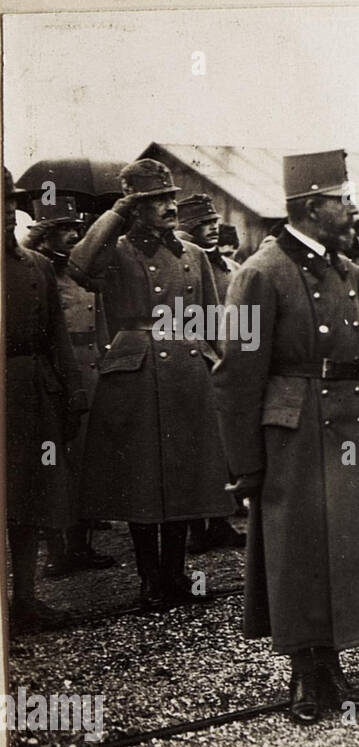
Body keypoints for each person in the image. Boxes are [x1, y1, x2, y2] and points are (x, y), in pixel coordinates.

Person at [212, 149, 359, 725]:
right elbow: (237, 374)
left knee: (342, 547)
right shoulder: (260, 273)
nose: (353, 209)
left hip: (345, 423)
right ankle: (305, 673)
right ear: (312, 207)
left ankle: (332, 662)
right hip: (292, 430)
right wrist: (246, 463)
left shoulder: (350, 271)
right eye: (343, 200)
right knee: (298, 550)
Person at [67, 158, 232, 612]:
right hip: (137, 373)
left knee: (183, 475)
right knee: (141, 479)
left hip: (186, 369)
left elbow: (211, 319)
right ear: (135, 207)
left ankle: (176, 574)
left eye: (169, 198)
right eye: (155, 200)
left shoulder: (193, 254)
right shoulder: (117, 250)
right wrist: (115, 214)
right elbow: (80, 266)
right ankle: (150, 579)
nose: (169, 207)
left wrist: (219, 368)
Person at [4, 167, 89, 629]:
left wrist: (73, 391)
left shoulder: (36, 266)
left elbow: (57, 336)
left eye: (9, 204)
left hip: (36, 392)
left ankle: (26, 599)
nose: (6, 212)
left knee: (31, 498)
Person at [22, 192, 115, 576]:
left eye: (77, 228)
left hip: (91, 375)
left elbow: (101, 325)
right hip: (58, 377)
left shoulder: (85, 270)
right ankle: (56, 552)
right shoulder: (38, 272)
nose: (74, 236)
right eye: (64, 230)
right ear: (45, 234)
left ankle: (79, 545)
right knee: (54, 465)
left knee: (86, 464)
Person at [177, 191, 247, 555]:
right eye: (204, 224)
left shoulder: (232, 268)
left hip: (229, 364)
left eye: (214, 222)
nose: (212, 229)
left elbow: (245, 320)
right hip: (198, 362)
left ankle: (220, 521)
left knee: (223, 449)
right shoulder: (184, 265)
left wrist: (244, 356)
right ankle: (196, 527)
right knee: (196, 449)